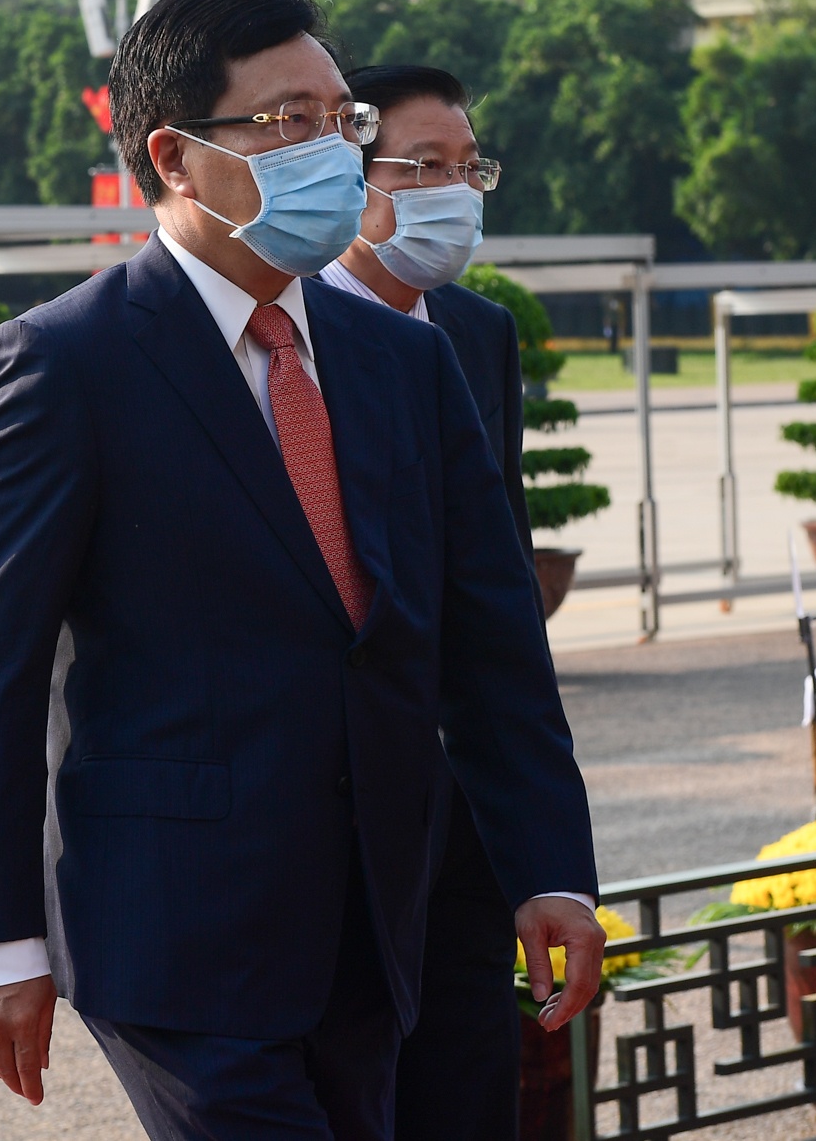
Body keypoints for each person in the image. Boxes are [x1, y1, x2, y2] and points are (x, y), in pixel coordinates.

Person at [0, 0, 601, 1141]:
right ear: (174, 158)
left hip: (376, 913)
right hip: (173, 923)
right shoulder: (63, 362)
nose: (331, 151)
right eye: (285, 121)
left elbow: (489, 643)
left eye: (340, 121)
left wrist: (548, 862)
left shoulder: (404, 362)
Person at [322, 63, 538, 1140]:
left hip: (460, 799)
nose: (452, 191)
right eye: (420, 167)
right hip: (329, 800)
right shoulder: (285, 335)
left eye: (467, 167)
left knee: (467, 1072)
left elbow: (495, 584)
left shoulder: (475, 332)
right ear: (347, 175)